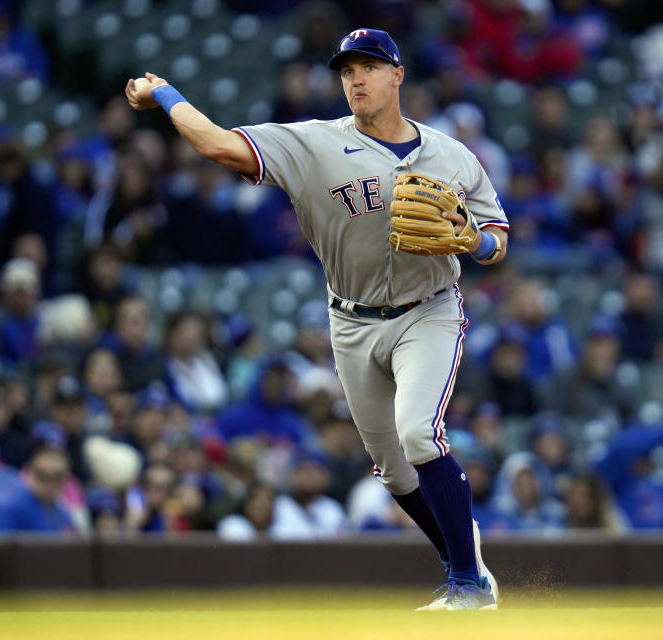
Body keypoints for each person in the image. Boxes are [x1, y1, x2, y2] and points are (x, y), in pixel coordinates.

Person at [125, 28, 508, 609]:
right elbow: (220, 148)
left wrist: (474, 241)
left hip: (427, 311)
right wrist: (169, 95)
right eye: (346, 70)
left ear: (397, 75)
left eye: (368, 67)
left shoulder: (451, 155)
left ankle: (466, 584)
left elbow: (498, 240)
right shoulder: (312, 144)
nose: (355, 78)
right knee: (393, 469)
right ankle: (464, 559)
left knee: (418, 434)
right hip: (351, 320)